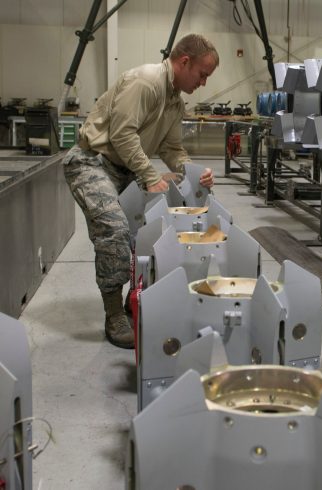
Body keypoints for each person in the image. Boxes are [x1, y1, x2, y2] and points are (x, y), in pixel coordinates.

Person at [62, 34, 219, 349]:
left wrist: (193, 173)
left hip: (125, 169)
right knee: (114, 229)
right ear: (184, 62)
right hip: (92, 162)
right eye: (202, 74)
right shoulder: (146, 82)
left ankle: (132, 303)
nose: (203, 82)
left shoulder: (174, 101)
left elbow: (171, 147)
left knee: (147, 231)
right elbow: (122, 134)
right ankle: (113, 315)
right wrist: (149, 175)